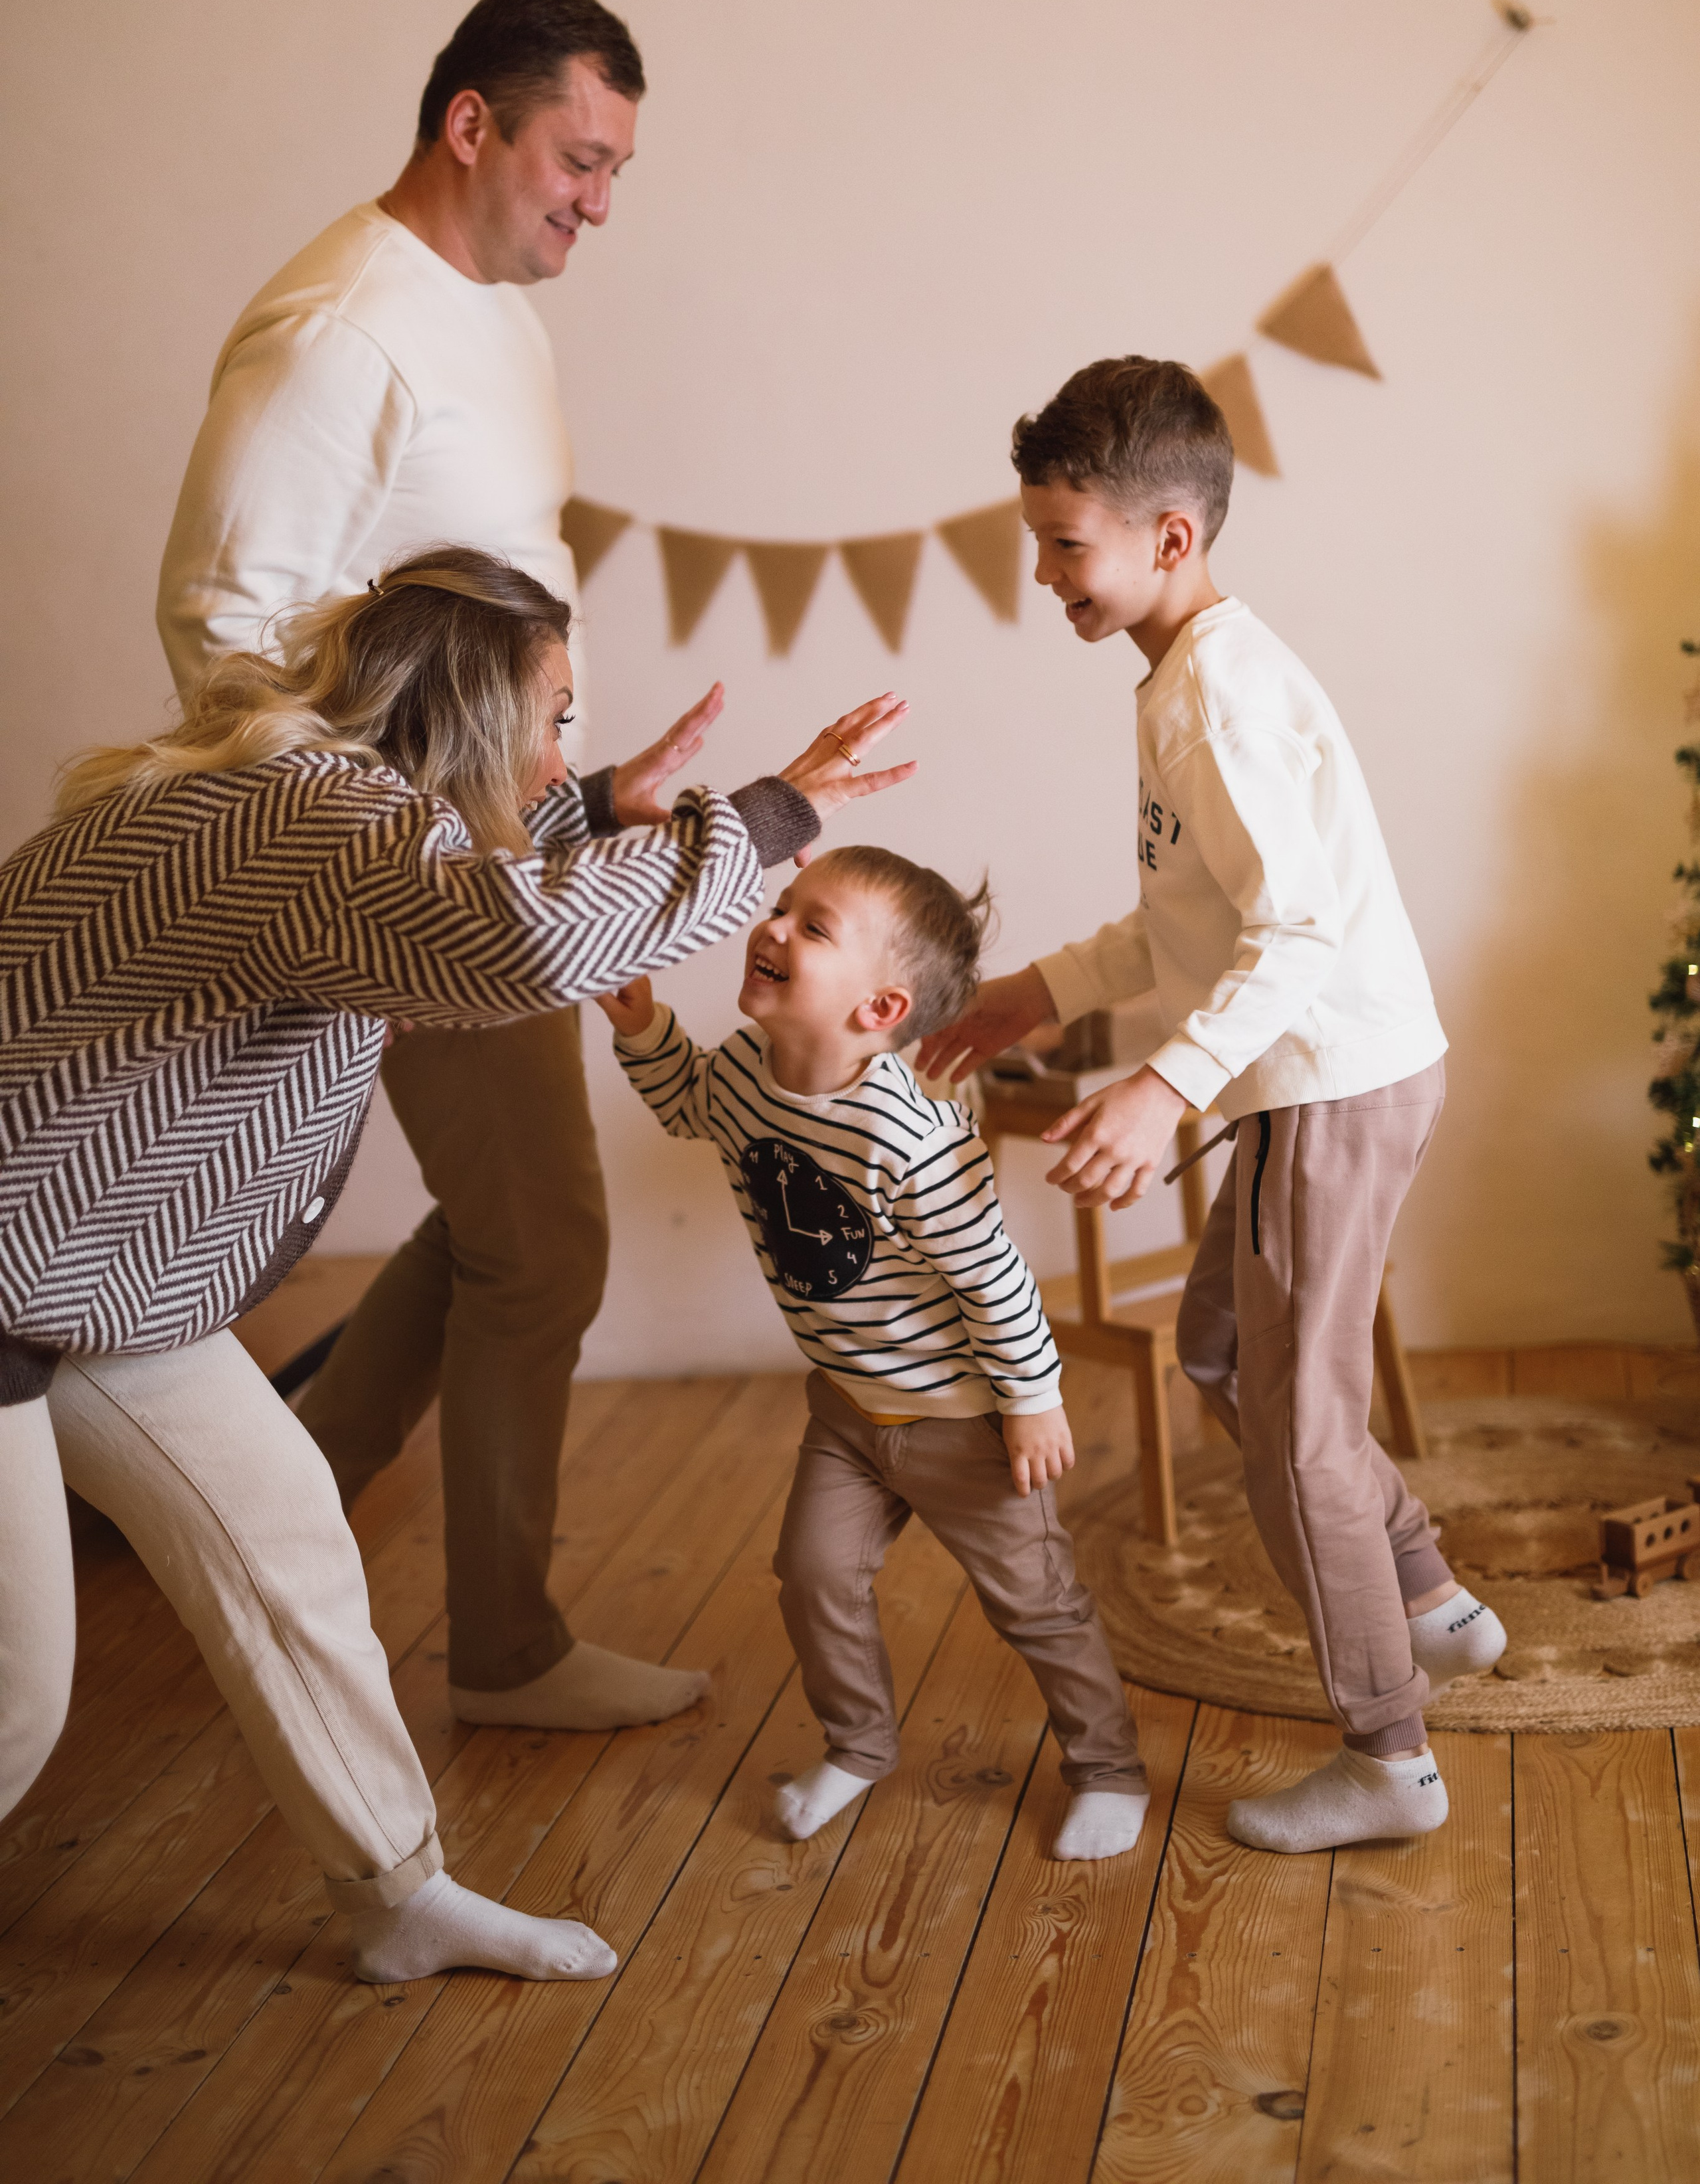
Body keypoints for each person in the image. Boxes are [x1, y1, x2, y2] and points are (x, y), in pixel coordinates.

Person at [0, 546, 912, 1980]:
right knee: (15, 1704)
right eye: (552, 719)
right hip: (25, 1274)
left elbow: (452, 886)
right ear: (480, 716)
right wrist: (772, 816)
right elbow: (511, 927)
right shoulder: (302, 818)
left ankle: (393, 1895)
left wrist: (597, 801)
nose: (561, 748)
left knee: (285, 1538)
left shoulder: (320, 805)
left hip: (83, 1282)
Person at [155, 0, 709, 1730]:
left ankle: (257, 1533)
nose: (598, 203)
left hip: (501, 845)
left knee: (509, 1229)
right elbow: (225, 627)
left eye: (618, 171)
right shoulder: (341, 326)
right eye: (580, 156)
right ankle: (503, 1653)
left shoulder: (495, 316)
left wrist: (556, 803)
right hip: (418, 878)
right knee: (542, 1246)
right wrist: (369, 891)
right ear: (471, 120)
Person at [918, 357, 1506, 1855]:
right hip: (1311, 1082)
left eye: (1066, 544)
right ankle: (1425, 1597)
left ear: (1168, 539)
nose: (1042, 574)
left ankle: (1387, 1758)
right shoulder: (1184, 682)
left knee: (1299, 1437)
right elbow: (1180, 924)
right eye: (1036, 540)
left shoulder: (1215, 700)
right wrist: (1036, 993)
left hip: (1331, 1083)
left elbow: (1293, 934)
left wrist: (1157, 1089)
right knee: (1222, 1352)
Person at [600, 847, 1149, 1863]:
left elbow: (993, 1272)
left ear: (880, 1009)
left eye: (814, 930)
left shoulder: (911, 1135)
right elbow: (688, 1103)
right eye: (781, 908)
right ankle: (857, 1746)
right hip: (849, 1414)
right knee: (811, 1574)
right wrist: (640, 1022)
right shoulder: (745, 1073)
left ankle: (1108, 1768)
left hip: (965, 1424)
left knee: (1038, 1605)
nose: (773, 928)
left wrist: (1032, 1399)